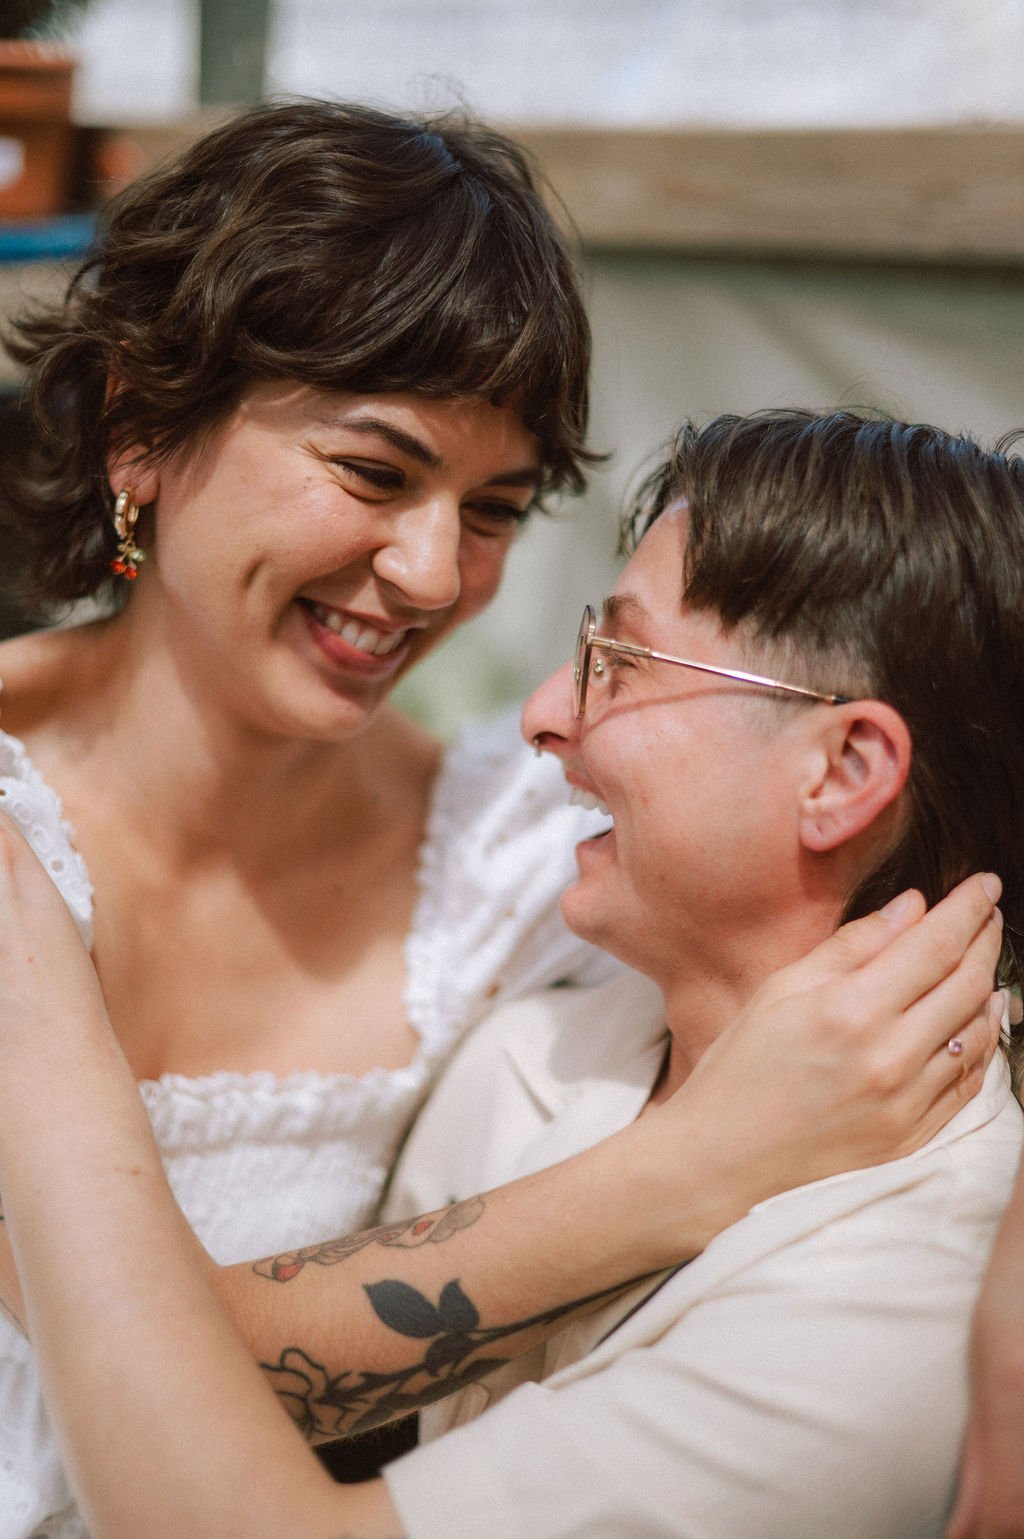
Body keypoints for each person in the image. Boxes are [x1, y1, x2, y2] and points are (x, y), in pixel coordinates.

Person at [0, 97, 998, 1538]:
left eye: (494, 511)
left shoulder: (514, 867)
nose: (429, 573)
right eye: (375, 472)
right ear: (141, 428)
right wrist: (693, 1169)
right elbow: (105, 1341)